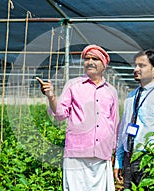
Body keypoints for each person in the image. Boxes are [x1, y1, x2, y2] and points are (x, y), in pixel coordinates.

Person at [36, 44, 119, 191]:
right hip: (77, 153)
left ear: (104, 64)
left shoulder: (111, 91)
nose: (90, 62)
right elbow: (60, 114)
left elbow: (115, 122)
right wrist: (51, 97)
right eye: (87, 58)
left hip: (102, 153)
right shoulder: (73, 85)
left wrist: (114, 151)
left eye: (95, 59)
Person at [113, 49, 154, 190]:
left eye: (142, 65)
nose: (136, 69)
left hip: (150, 160)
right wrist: (119, 161)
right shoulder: (131, 96)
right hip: (128, 158)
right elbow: (123, 131)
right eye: (135, 65)